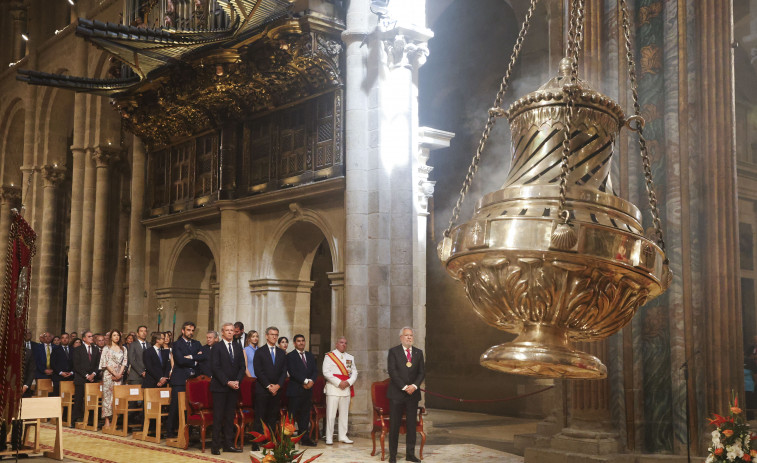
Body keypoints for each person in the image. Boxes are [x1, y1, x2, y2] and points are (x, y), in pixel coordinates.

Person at [387, 327, 425, 463]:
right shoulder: (393, 352)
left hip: (412, 395)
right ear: (401, 337)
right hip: (397, 394)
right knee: (395, 425)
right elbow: (392, 371)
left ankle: (410, 454)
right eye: (406, 335)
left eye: (411, 335)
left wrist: (414, 386)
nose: (409, 338)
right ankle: (393, 455)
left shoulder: (418, 353)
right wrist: (404, 387)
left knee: (411, 425)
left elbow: (422, 373)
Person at [210, 323, 245, 455]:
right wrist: (227, 381)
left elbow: (242, 366)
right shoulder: (216, 347)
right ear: (222, 332)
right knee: (218, 417)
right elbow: (215, 367)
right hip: (220, 387)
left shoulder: (237, 346)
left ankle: (228, 445)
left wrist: (237, 381)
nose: (230, 333)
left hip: (234, 387)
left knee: (230, 417)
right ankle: (215, 446)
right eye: (227, 330)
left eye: (232, 330)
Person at [252, 326, 287, 451]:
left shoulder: (282, 353)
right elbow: (258, 371)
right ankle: (257, 442)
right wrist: (268, 386)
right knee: (260, 417)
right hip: (263, 389)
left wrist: (278, 385)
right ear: (266, 336)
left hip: (276, 390)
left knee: (273, 417)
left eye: (276, 335)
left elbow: (284, 371)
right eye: (272, 334)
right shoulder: (259, 351)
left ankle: (271, 441)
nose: (274, 337)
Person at [167, 321, 204, 437]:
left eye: (192, 330)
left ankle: (190, 431)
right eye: (188, 330)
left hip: (193, 380)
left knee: (191, 407)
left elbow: (204, 356)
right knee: (176, 406)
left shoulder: (197, 343)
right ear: (183, 331)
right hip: (179, 379)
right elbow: (180, 360)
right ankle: (170, 431)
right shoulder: (177, 344)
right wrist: (195, 361)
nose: (191, 332)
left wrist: (192, 357)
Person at [322, 336, 358, 445]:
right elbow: (326, 372)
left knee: (344, 414)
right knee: (331, 415)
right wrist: (339, 382)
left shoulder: (350, 357)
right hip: (333, 389)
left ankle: (343, 436)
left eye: (345, 343)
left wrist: (348, 382)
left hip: (346, 388)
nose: (343, 344)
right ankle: (329, 437)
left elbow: (354, 372)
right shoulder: (329, 356)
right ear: (336, 344)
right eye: (341, 342)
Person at [286, 334, 318, 446]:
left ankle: (305, 438)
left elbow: (315, 370)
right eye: (298, 341)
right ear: (294, 343)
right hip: (295, 390)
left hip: (307, 391)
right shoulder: (290, 356)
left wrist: (312, 381)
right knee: (292, 416)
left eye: (303, 341)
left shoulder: (309, 355)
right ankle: (288, 439)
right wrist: (305, 381)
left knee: (305, 415)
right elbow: (292, 372)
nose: (301, 343)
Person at [71, 331, 101, 428]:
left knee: (92, 401)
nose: (91, 338)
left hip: (93, 379)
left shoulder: (96, 349)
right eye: (89, 336)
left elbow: (98, 364)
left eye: (92, 336)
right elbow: (76, 365)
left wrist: (94, 374)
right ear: (84, 338)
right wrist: (87, 375)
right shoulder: (78, 349)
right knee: (78, 400)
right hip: (81, 379)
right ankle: (74, 420)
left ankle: (91, 421)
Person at [100, 330, 128, 429]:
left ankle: (115, 419)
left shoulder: (123, 348)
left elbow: (124, 362)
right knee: (108, 398)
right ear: (111, 337)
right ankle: (107, 420)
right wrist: (114, 373)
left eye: (118, 335)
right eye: (114, 335)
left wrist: (119, 374)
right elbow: (105, 363)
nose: (116, 337)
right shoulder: (106, 348)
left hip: (119, 375)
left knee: (117, 398)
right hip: (109, 375)